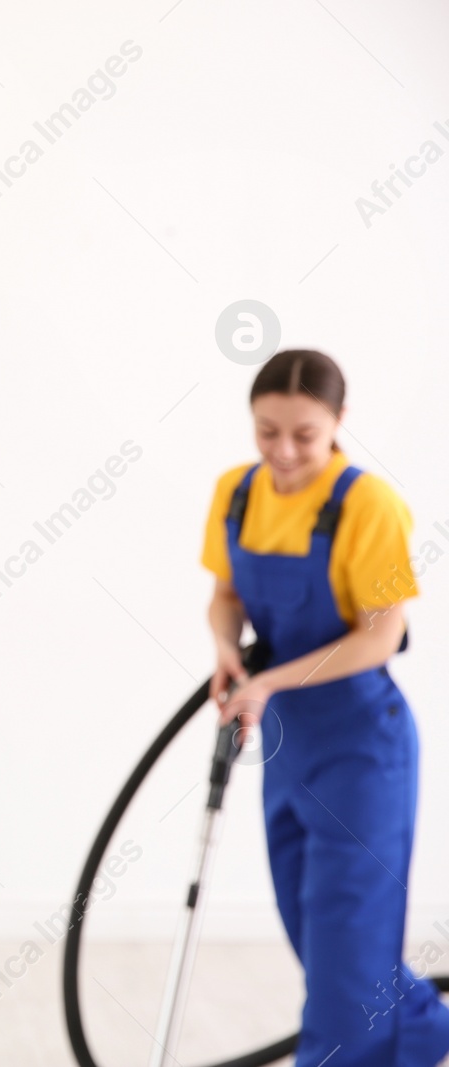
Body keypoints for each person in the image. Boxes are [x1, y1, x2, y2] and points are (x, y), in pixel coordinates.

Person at [204, 349, 449, 1067]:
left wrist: (271, 680)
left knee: (348, 949)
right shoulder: (237, 492)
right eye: (266, 431)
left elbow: (384, 632)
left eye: (303, 435)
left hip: (363, 748)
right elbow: (225, 595)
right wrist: (225, 646)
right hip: (289, 745)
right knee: (315, 932)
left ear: (339, 423)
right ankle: (425, 1036)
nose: (283, 451)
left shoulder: (367, 504)